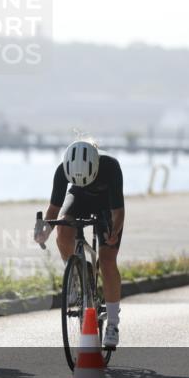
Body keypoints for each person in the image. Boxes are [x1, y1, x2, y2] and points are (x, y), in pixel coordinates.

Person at [34, 139, 125, 348]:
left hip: (106, 204)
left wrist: (114, 233)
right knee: (63, 229)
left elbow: (118, 212)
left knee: (108, 259)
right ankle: (76, 274)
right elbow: (53, 211)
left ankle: (112, 323)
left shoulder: (111, 167)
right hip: (79, 197)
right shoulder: (61, 170)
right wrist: (44, 231)